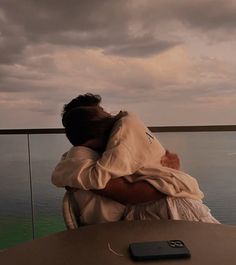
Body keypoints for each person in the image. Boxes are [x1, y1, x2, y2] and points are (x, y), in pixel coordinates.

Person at [52, 93, 219, 224]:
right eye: (101, 113)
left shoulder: (119, 133)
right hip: (172, 205)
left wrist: (74, 177)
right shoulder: (84, 156)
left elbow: (104, 176)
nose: (108, 114)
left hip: (175, 206)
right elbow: (133, 191)